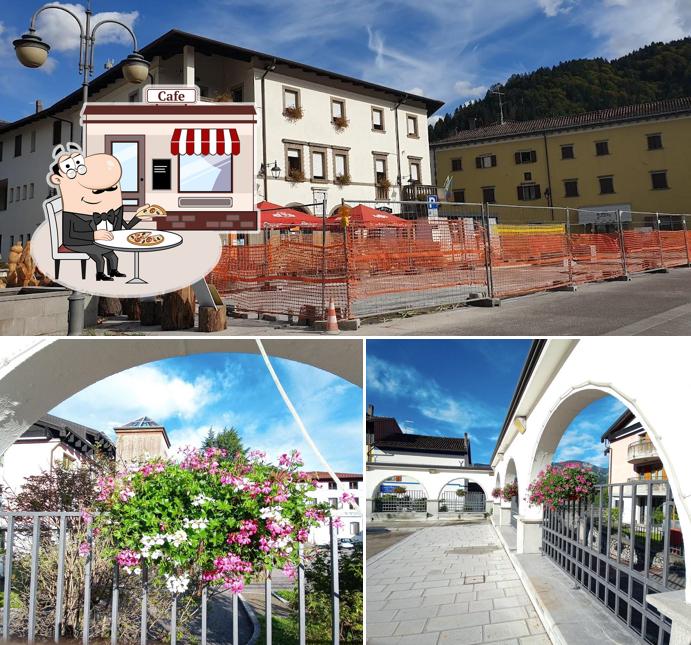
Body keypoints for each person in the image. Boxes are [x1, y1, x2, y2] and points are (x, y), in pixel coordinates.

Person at [47, 143, 152, 281]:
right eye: (97, 191)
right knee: (98, 256)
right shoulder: (72, 214)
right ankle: (100, 275)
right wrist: (94, 235)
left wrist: (139, 217)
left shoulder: (112, 212)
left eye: (111, 188)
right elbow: (69, 236)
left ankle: (113, 271)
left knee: (112, 255)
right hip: (76, 242)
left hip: (98, 240)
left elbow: (125, 227)